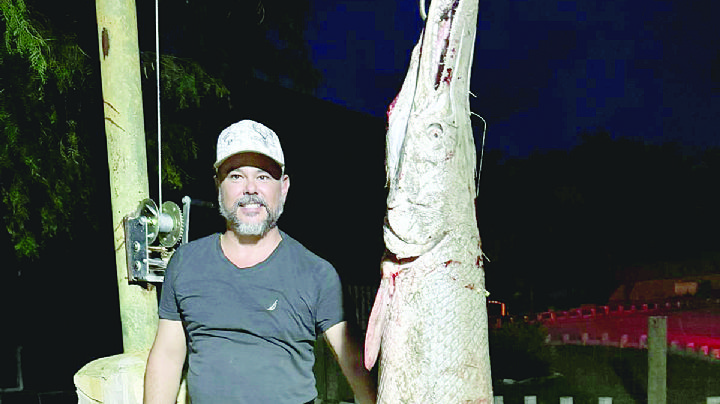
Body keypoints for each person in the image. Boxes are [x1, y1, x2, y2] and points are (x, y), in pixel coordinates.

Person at [144, 120, 377, 404]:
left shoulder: (316, 274)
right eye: (236, 176)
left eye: (264, 176)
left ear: (284, 187)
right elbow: (167, 356)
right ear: (219, 185)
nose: (250, 189)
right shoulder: (186, 263)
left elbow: (355, 363)